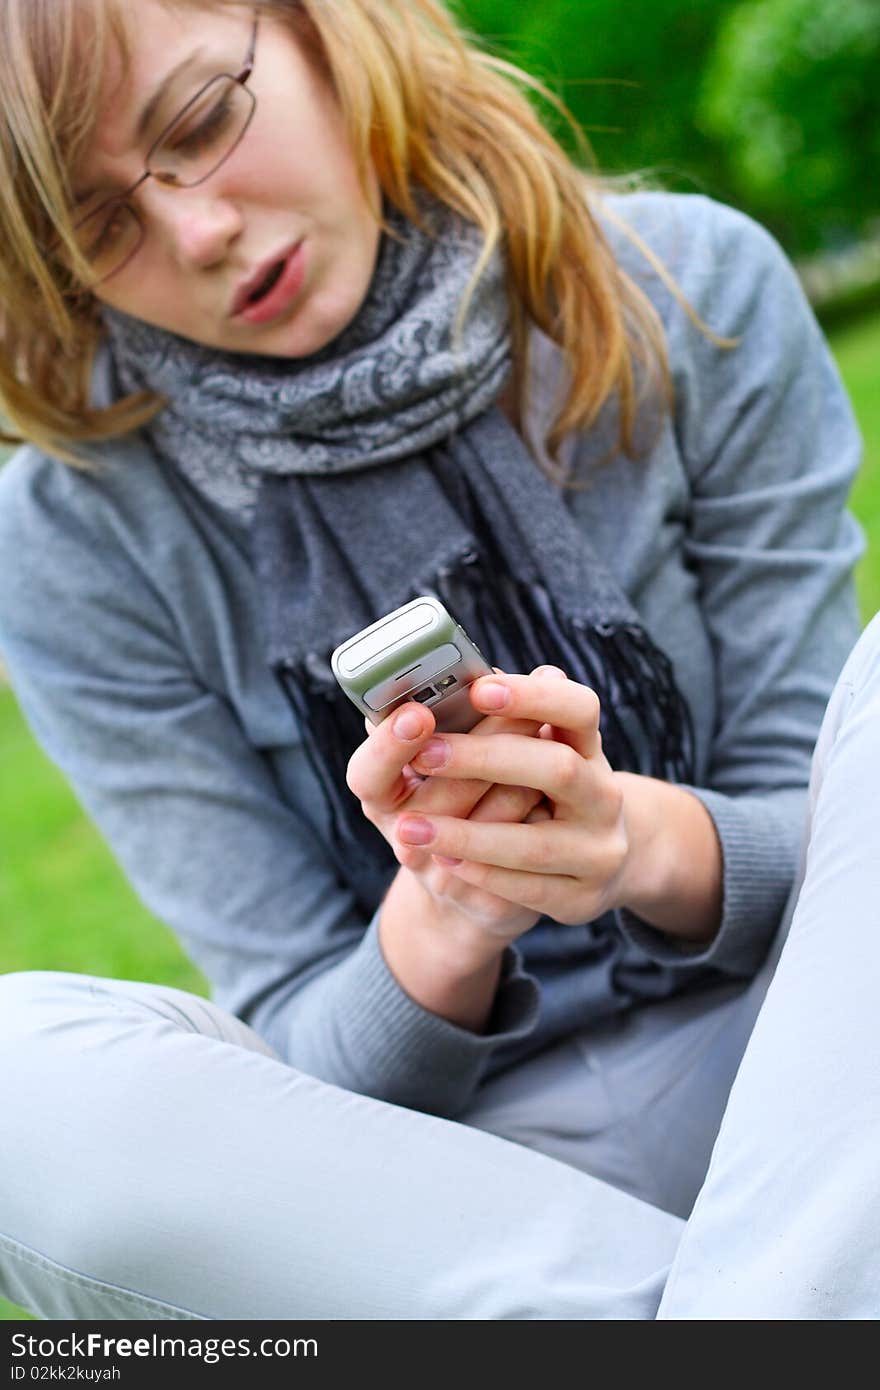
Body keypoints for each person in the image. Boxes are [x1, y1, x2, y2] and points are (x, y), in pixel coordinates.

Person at [0, 0, 875, 1320]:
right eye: (102, 228)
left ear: (317, 30)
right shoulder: (66, 544)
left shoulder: (692, 285)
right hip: (457, 1184)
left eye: (200, 121)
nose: (198, 232)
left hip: (811, 1067)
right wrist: (448, 912)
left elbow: (841, 859)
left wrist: (635, 840)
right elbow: (292, 1048)